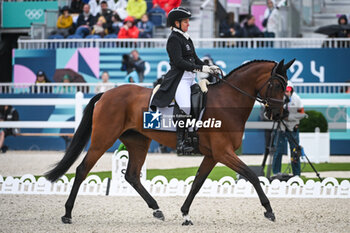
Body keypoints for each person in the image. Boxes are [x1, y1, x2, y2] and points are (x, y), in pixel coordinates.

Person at [150, 7, 220, 154]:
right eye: (186, 21)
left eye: (188, 21)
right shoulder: (173, 39)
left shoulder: (186, 38)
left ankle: (194, 137)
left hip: (190, 79)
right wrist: (201, 69)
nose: (188, 24)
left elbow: (195, 58)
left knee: (201, 102)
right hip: (179, 79)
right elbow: (179, 62)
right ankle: (181, 143)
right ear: (177, 23)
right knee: (186, 107)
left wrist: (208, 67)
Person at [272, 81, 307, 177]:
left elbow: (302, 114)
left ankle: (296, 174)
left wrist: (289, 117)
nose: (286, 93)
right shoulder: (279, 98)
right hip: (281, 128)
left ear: (292, 90)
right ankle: (276, 172)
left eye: (288, 91)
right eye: (285, 91)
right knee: (278, 151)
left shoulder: (297, 99)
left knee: (295, 152)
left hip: (293, 129)